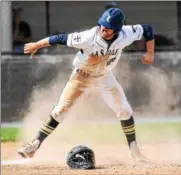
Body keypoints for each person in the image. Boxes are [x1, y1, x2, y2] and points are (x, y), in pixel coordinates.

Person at [18, 8, 154, 163]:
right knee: (61, 110)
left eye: (108, 28)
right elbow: (59, 39)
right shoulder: (88, 37)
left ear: (117, 30)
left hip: (104, 77)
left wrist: (150, 53)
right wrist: (36, 45)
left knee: (125, 110)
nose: (103, 29)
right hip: (81, 77)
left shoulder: (126, 34)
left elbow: (147, 29)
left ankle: (134, 151)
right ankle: (34, 145)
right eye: (102, 25)